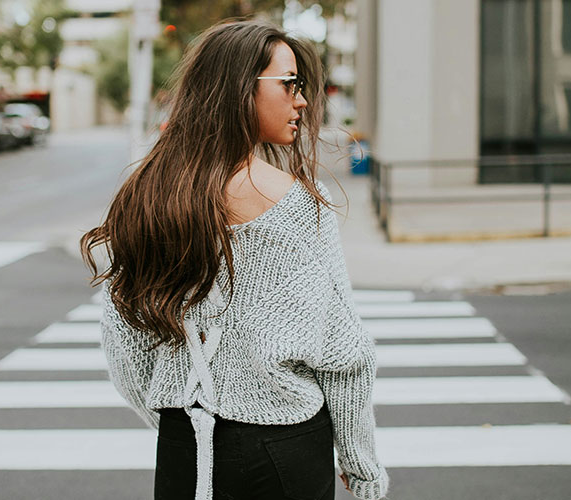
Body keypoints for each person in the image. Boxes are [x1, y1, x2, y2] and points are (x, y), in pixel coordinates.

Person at [80, 19, 389, 500]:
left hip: (185, 446)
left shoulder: (150, 196)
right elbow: (345, 354)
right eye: (289, 84)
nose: (302, 101)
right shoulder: (296, 205)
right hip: (282, 447)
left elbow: (124, 349)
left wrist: (181, 421)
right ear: (241, 89)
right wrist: (361, 465)